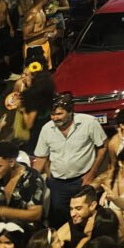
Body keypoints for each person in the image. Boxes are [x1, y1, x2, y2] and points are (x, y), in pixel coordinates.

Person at [33, 93, 108, 229]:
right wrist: (32, 177)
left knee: (84, 218)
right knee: (61, 221)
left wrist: (92, 172)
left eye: (59, 114)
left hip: (82, 181)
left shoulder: (89, 123)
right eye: (52, 115)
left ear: (70, 112)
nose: (55, 118)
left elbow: (102, 147)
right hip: (58, 185)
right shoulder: (46, 129)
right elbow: (41, 157)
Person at [0, 140, 46, 231]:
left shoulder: (32, 178)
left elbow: (36, 214)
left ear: (11, 162)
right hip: (5, 232)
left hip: (27, 233)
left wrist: (1, 211)